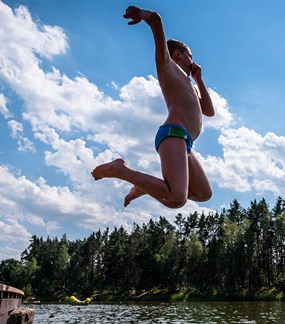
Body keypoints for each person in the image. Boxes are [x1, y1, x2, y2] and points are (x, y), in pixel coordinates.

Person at [92, 5, 215, 209]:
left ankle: (146, 186)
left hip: (185, 144)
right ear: (178, 55)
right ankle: (120, 170)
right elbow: (156, 20)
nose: (193, 61)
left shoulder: (192, 86)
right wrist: (140, 15)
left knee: (203, 193)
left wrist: (199, 80)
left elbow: (209, 111)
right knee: (177, 199)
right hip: (173, 134)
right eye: (190, 57)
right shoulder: (168, 67)